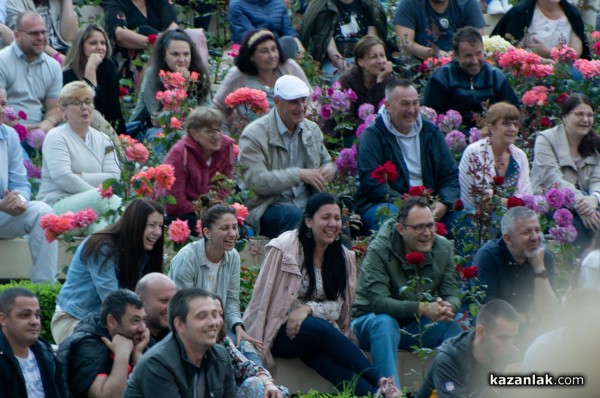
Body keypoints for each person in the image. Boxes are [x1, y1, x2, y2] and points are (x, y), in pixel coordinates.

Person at [243, 192, 401, 397]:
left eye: (337, 218)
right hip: (280, 332)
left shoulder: (342, 257)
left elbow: (338, 306)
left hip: (316, 334)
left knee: (324, 361)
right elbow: (265, 298)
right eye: (325, 217)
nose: (333, 224)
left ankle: (373, 393)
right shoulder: (285, 249)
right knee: (318, 327)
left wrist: (307, 309)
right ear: (308, 221)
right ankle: (380, 379)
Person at [351, 197, 463, 385]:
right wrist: (423, 307)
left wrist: (447, 306)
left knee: (453, 327)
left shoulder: (442, 247)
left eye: (431, 225)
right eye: (419, 227)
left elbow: (452, 291)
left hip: (412, 326)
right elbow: (379, 303)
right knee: (385, 323)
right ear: (401, 229)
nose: (427, 233)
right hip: (369, 323)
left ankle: (451, 390)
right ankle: (390, 392)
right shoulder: (380, 248)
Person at [51, 198, 164, 345]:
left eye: (160, 226)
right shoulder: (102, 247)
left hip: (112, 323)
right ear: (135, 225)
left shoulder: (142, 254)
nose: (157, 232)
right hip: (74, 320)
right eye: (152, 225)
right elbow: (112, 300)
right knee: (122, 345)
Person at [238, 74, 337, 238]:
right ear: (277, 101)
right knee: (294, 216)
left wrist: (329, 169)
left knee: (338, 218)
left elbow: (326, 161)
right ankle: (295, 263)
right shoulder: (254, 134)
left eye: (303, 100)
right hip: (268, 206)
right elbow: (255, 182)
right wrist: (298, 175)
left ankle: (343, 264)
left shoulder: (311, 129)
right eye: (293, 102)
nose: (301, 107)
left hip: (307, 204)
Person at [356, 79, 460, 231]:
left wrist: (444, 203)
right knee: (389, 220)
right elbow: (371, 182)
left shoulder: (431, 132)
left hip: (430, 204)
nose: (411, 110)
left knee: (466, 219)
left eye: (415, 103)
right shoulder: (373, 136)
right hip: (388, 204)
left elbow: (450, 175)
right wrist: (409, 208)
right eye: (404, 104)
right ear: (388, 106)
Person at [169, 205, 261, 361]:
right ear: (207, 233)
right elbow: (182, 308)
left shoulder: (232, 256)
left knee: (249, 351)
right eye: (225, 228)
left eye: (234, 227)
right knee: (229, 357)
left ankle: (264, 384)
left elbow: (231, 301)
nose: (233, 234)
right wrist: (218, 334)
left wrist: (238, 327)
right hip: (191, 329)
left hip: (217, 326)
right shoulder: (188, 257)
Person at [124, 288, 237, 398]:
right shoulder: (158, 363)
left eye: (215, 315)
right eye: (202, 316)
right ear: (179, 325)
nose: (213, 322)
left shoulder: (221, 356)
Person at [36, 81, 122, 225]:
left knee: (104, 227)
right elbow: (64, 178)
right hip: (58, 204)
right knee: (109, 203)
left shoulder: (104, 138)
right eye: (76, 102)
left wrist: (80, 176)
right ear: (63, 110)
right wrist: (97, 195)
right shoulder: (56, 136)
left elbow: (113, 178)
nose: (84, 107)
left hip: (93, 206)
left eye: (87, 101)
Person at [473, 206, 559, 342]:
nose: (535, 237)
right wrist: (528, 319)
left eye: (537, 230)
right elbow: (490, 312)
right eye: (527, 232)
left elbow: (550, 310)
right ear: (508, 239)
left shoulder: (543, 257)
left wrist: (539, 268)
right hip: (498, 335)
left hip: (533, 331)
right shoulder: (488, 256)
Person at [0, 88, 58, 284]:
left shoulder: (9, 135)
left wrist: (20, 201)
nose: (5, 111)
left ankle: (43, 291)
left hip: (5, 213)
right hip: (1, 208)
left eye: (5, 104)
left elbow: (20, 183)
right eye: (0, 105)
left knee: (43, 212)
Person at [531, 93, 600, 249]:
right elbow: (552, 179)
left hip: (588, 205)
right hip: (552, 206)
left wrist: (594, 199)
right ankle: (578, 270)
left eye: (590, 115)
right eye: (579, 114)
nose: (585, 120)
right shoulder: (546, 140)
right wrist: (582, 205)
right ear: (565, 117)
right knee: (575, 225)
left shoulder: (595, 145)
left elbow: (598, 181)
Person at [415, 299, 520, 398]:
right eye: (503, 338)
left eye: (513, 337)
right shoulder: (448, 360)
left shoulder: (509, 356)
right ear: (481, 332)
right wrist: (495, 389)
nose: (510, 345)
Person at [58, 289, 150, 398]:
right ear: (112, 321)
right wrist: (122, 355)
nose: (143, 328)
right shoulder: (88, 345)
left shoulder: (136, 339)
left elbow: (154, 391)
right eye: (135, 320)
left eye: (143, 320)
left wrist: (137, 354)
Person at [214, 29, 310, 133]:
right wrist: (226, 139)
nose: (272, 55)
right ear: (251, 56)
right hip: (248, 138)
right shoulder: (238, 75)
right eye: (264, 51)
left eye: (274, 49)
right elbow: (219, 108)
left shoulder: (289, 68)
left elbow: (310, 99)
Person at [423, 27, 519, 130]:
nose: (474, 61)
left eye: (478, 54)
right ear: (455, 55)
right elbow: (431, 117)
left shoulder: (495, 77)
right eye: (468, 56)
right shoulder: (442, 78)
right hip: (453, 138)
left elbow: (513, 113)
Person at [162, 107, 236, 232]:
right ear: (194, 134)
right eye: (209, 131)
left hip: (211, 213)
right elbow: (174, 205)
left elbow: (224, 192)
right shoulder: (180, 154)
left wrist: (213, 209)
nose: (216, 136)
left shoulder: (225, 150)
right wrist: (206, 209)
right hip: (183, 216)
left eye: (218, 130)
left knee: (235, 225)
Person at [102, 0, 209, 79]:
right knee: (144, 30)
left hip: (163, 49)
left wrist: (160, 40)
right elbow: (119, 33)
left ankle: (193, 80)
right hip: (132, 57)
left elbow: (173, 25)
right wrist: (152, 41)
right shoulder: (115, 3)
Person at [130, 29, 211, 128]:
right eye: (175, 54)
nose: (182, 60)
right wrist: (181, 87)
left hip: (194, 130)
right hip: (156, 131)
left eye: (186, 54)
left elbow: (208, 115)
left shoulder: (198, 73)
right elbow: (159, 119)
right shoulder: (152, 74)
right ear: (164, 56)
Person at [459, 102, 531, 210]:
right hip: (477, 219)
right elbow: (485, 200)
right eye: (506, 124)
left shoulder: (520, 156)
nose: (513, 129)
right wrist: (513, 204)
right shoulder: (475, 152)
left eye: (515, 125)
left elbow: (526, 195)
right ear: (492, 128)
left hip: (514, 217)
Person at [212, 294, 287, 398]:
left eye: (219, 315)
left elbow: (244, 365)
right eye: (204, 316)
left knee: (258, 384)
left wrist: (268, 383)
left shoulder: (223, 341)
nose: (214, 322)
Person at [0, 11, 62, 133]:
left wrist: (47, 123)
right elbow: (1, 106)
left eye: (43, 32)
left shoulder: (53, 66)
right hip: (6, 130)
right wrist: (19, 129)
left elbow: (55, 108)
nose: (40, 37)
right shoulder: (2, 60)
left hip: (39, 131)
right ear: (17, 35)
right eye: (34, 33)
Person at [0, 287, 65, 397]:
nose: (34, 321)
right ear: (3, 319)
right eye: (25, 315)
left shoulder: (46, 354)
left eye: (37, 315)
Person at [62, 24, 126, 135]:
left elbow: (114, 109)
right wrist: (90, 69)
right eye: (93, 43)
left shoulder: (108, 66)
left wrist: (123, 139)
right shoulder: (68, 74)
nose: (100, 47)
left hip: (107, 131)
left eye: (103, 43)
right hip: (80, 130)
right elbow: (90, 108)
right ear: (81, 46)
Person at [300, 0, 387, 80]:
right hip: (333, 60)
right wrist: (343, 65)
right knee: (338, 81)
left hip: (366, 57)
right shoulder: (323, 6)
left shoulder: (369, 4)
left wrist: (363, 63)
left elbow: (371, 41)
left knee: (382, 78)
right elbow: (330, 47)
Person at [336, 35, 393, 146]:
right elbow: (347, 122)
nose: (381, 61)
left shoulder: (390, 80)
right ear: (361, 61)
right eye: (374, 57)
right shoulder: (347, 81)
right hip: (353, 135)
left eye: (382, 55)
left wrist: (381, 81)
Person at [491, 0, 590, 60]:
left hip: (564, 74)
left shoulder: (571, 14)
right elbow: (510, 52)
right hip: (529, 74)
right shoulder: (521, 13)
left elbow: (576, 53)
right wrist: (540, 60)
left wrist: (549, 52)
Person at [393, 0, 485, 60]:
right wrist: (434, 54)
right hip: (420, 66)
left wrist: (455, 54)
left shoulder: (467, 3)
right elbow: (404, 42)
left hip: (461, 62)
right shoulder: (409, 3)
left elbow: (476, 38)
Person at [228, 0, 304, 59]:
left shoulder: (277, 3)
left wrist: (301, 50)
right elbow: (249, 38)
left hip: (281, 50)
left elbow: (289, 31)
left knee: (289, 42)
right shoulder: (237, 5)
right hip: (255, 54)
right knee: (286, 43)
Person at [6, 0, 77, 61]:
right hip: (34, 55)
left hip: (65, 53)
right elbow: (22, 38)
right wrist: (57, 57)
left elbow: (69, 36)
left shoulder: (57, 2)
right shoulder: (16, 2)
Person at [135, 272, 177, 346]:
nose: (171, 308)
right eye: (164, 301)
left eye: (173, 301)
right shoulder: (128, 339)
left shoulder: (180, 338)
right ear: (141, 301)